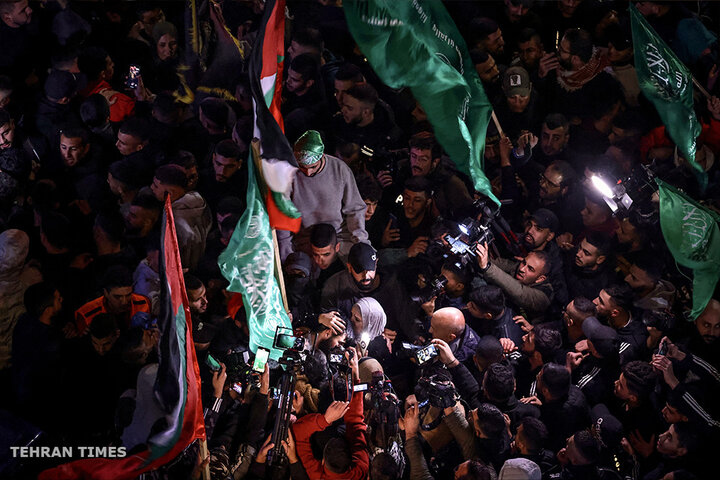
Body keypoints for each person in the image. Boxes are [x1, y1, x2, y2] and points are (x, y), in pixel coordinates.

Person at [278, 130, 368, 260]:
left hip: (339, 235)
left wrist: (360, 242)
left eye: (313, 167)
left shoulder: (340, 169)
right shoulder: (287, 174)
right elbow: (283, 215)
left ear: (322, 157)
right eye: (302, 167)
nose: (308, 173)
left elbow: (355, 209)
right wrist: (286, 252)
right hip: (305, 238)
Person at [477, 244, 554, 322]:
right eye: (524, 262)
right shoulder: (518, 267)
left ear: (540, 279)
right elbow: (494, 263)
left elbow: (519, 291)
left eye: (530, 269)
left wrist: (487, 267)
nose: (522, 269)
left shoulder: (543, 297)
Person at [74, 265, 150, 335]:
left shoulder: (143, 303)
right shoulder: (87, 315)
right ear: (106, 293)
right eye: (117, 297)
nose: (124, 302)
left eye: (128, 295)